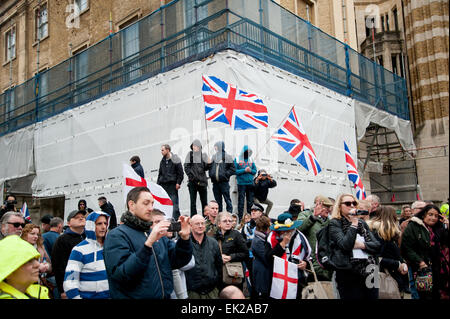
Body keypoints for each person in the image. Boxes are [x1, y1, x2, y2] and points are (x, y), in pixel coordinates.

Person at [103, 186, 193, 299]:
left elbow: (178, 261)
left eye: (152, 203)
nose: (151, 208)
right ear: (131, 205)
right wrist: (148, 244)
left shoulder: (155, 233)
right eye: (146, 203)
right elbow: (122, 274)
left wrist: (184, 239)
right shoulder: (116, 235)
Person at [329, 193, 381, 299]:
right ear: (339, 206)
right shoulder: (335, 224)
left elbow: (377, 245)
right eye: (348, 203)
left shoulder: (362, 222)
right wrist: (353, 224)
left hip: (371, 269)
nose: (352, 206)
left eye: (354, 203)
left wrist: (362, 245)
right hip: (349, 272)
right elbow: (346, 245)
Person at [400, 204, 449, 299]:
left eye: (436, 215)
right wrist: (420, 262)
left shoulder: (438, 228)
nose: (433, 218)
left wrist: (447, 225)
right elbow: (406, 247)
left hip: (437, 267)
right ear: (423, 215)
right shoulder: (414, 226)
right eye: (430, 214)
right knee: (422, 295)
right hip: (420, 268)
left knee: (436, 294)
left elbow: (446, 243)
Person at [63, 211, 110, 299]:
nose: (103, 227)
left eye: (105, 223)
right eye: (99, 224)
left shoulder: (110, 247)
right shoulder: (79, 250)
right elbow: (70, 281)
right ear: (90, 225)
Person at [267, 212, 311, 298]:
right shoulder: (271, 238)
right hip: (278, 279)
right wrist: (283, 243)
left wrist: (305, 263)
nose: (288, 231)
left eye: (290, 229)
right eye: (285, 230)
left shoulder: (301, 237)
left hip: (297, 278)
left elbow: (308, 256)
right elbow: (269, 258)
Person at [367, 206, 409, 296]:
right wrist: (397, 264)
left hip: (386, 276)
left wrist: (402, 263)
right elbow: (376, 258)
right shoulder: (379, 234)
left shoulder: (387, 233)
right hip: (380, 276)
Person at [51, 210, 87, 299]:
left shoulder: (89, 238)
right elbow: (58, 266)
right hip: (71, 285)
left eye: (83, 217)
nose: (81, 219)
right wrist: (62, 290)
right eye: (76, 218)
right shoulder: (62, 240)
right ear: (68, 223)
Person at [297, 195, 334, 281]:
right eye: (326, 207)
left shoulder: (329, 221)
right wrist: (313, 217)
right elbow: (298, 229)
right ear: (317, 205)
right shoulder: (305, 215)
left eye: (330, 207)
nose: (329, 209)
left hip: (327, 265)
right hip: (310, 264)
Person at [185, 214, 222, 299]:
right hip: (192, 292)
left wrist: (218, 287)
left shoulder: (213, 243)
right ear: (191, 226)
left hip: (212, 291)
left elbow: (219, 266)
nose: (200, 226)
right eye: (197, 224)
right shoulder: (185, 244)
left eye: (202, 223)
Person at [215, 212, 249, 291]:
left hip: (233, 275)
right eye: (225, 221)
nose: (228, 223)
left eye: (230, 221)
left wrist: (231, 257)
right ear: (219, 224)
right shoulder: (215, 236)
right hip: (219, 276)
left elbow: (245, 253)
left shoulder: (236, 235)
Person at [184, 139, 212, 217]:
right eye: (193, 146)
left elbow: (206, 168)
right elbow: (186, 167)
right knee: (193, 202)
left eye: (196, 146)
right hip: (193, 182)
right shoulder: (190, 155)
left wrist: (209, 163)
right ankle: (194, 218)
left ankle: (206, 218)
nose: (194, 147)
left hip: (202, 182)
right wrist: (192, 177)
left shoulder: (204, 155)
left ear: (199, 147)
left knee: (204, 202)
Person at [157, 144, 184, 221]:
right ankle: (166, 221)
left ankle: (176, 222)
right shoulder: (162, 161)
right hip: (163, 186)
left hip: (172, 186)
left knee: (174, 205)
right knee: (164, 205)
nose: (161, 152)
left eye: (163, 150)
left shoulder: (175, 159)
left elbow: (180, 173)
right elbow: (160, 174)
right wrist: (158, 185)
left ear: (168, 150)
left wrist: (178, 182)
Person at [209, 141, 236, 213]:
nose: (215, 148)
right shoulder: (214, 157)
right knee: (217, 202)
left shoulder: (227, 156)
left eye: (216, 146)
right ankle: (219, 217)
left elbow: (233, 169)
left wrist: (225, 174)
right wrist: (211, 173)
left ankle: (229, 214)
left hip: (224, 182)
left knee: (227, 199)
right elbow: (210, 167)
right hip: (215, 183)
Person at [250, 215, 273, 298]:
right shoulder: (258, 241)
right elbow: (266, 258)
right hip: (261, 272)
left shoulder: (261, 238)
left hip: (263, 270)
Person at [234, 145, 257, 220]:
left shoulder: (251, 159)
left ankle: (250, 218)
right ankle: (240, 218)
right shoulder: (237, 159)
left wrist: (250, 170)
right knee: (241, 202)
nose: (248, 153)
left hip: (250, 184)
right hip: (241, 184)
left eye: (250, 152)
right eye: (247, 151)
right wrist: (244, 170)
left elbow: (255, 171)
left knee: (250, 202)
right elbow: (234, 171)